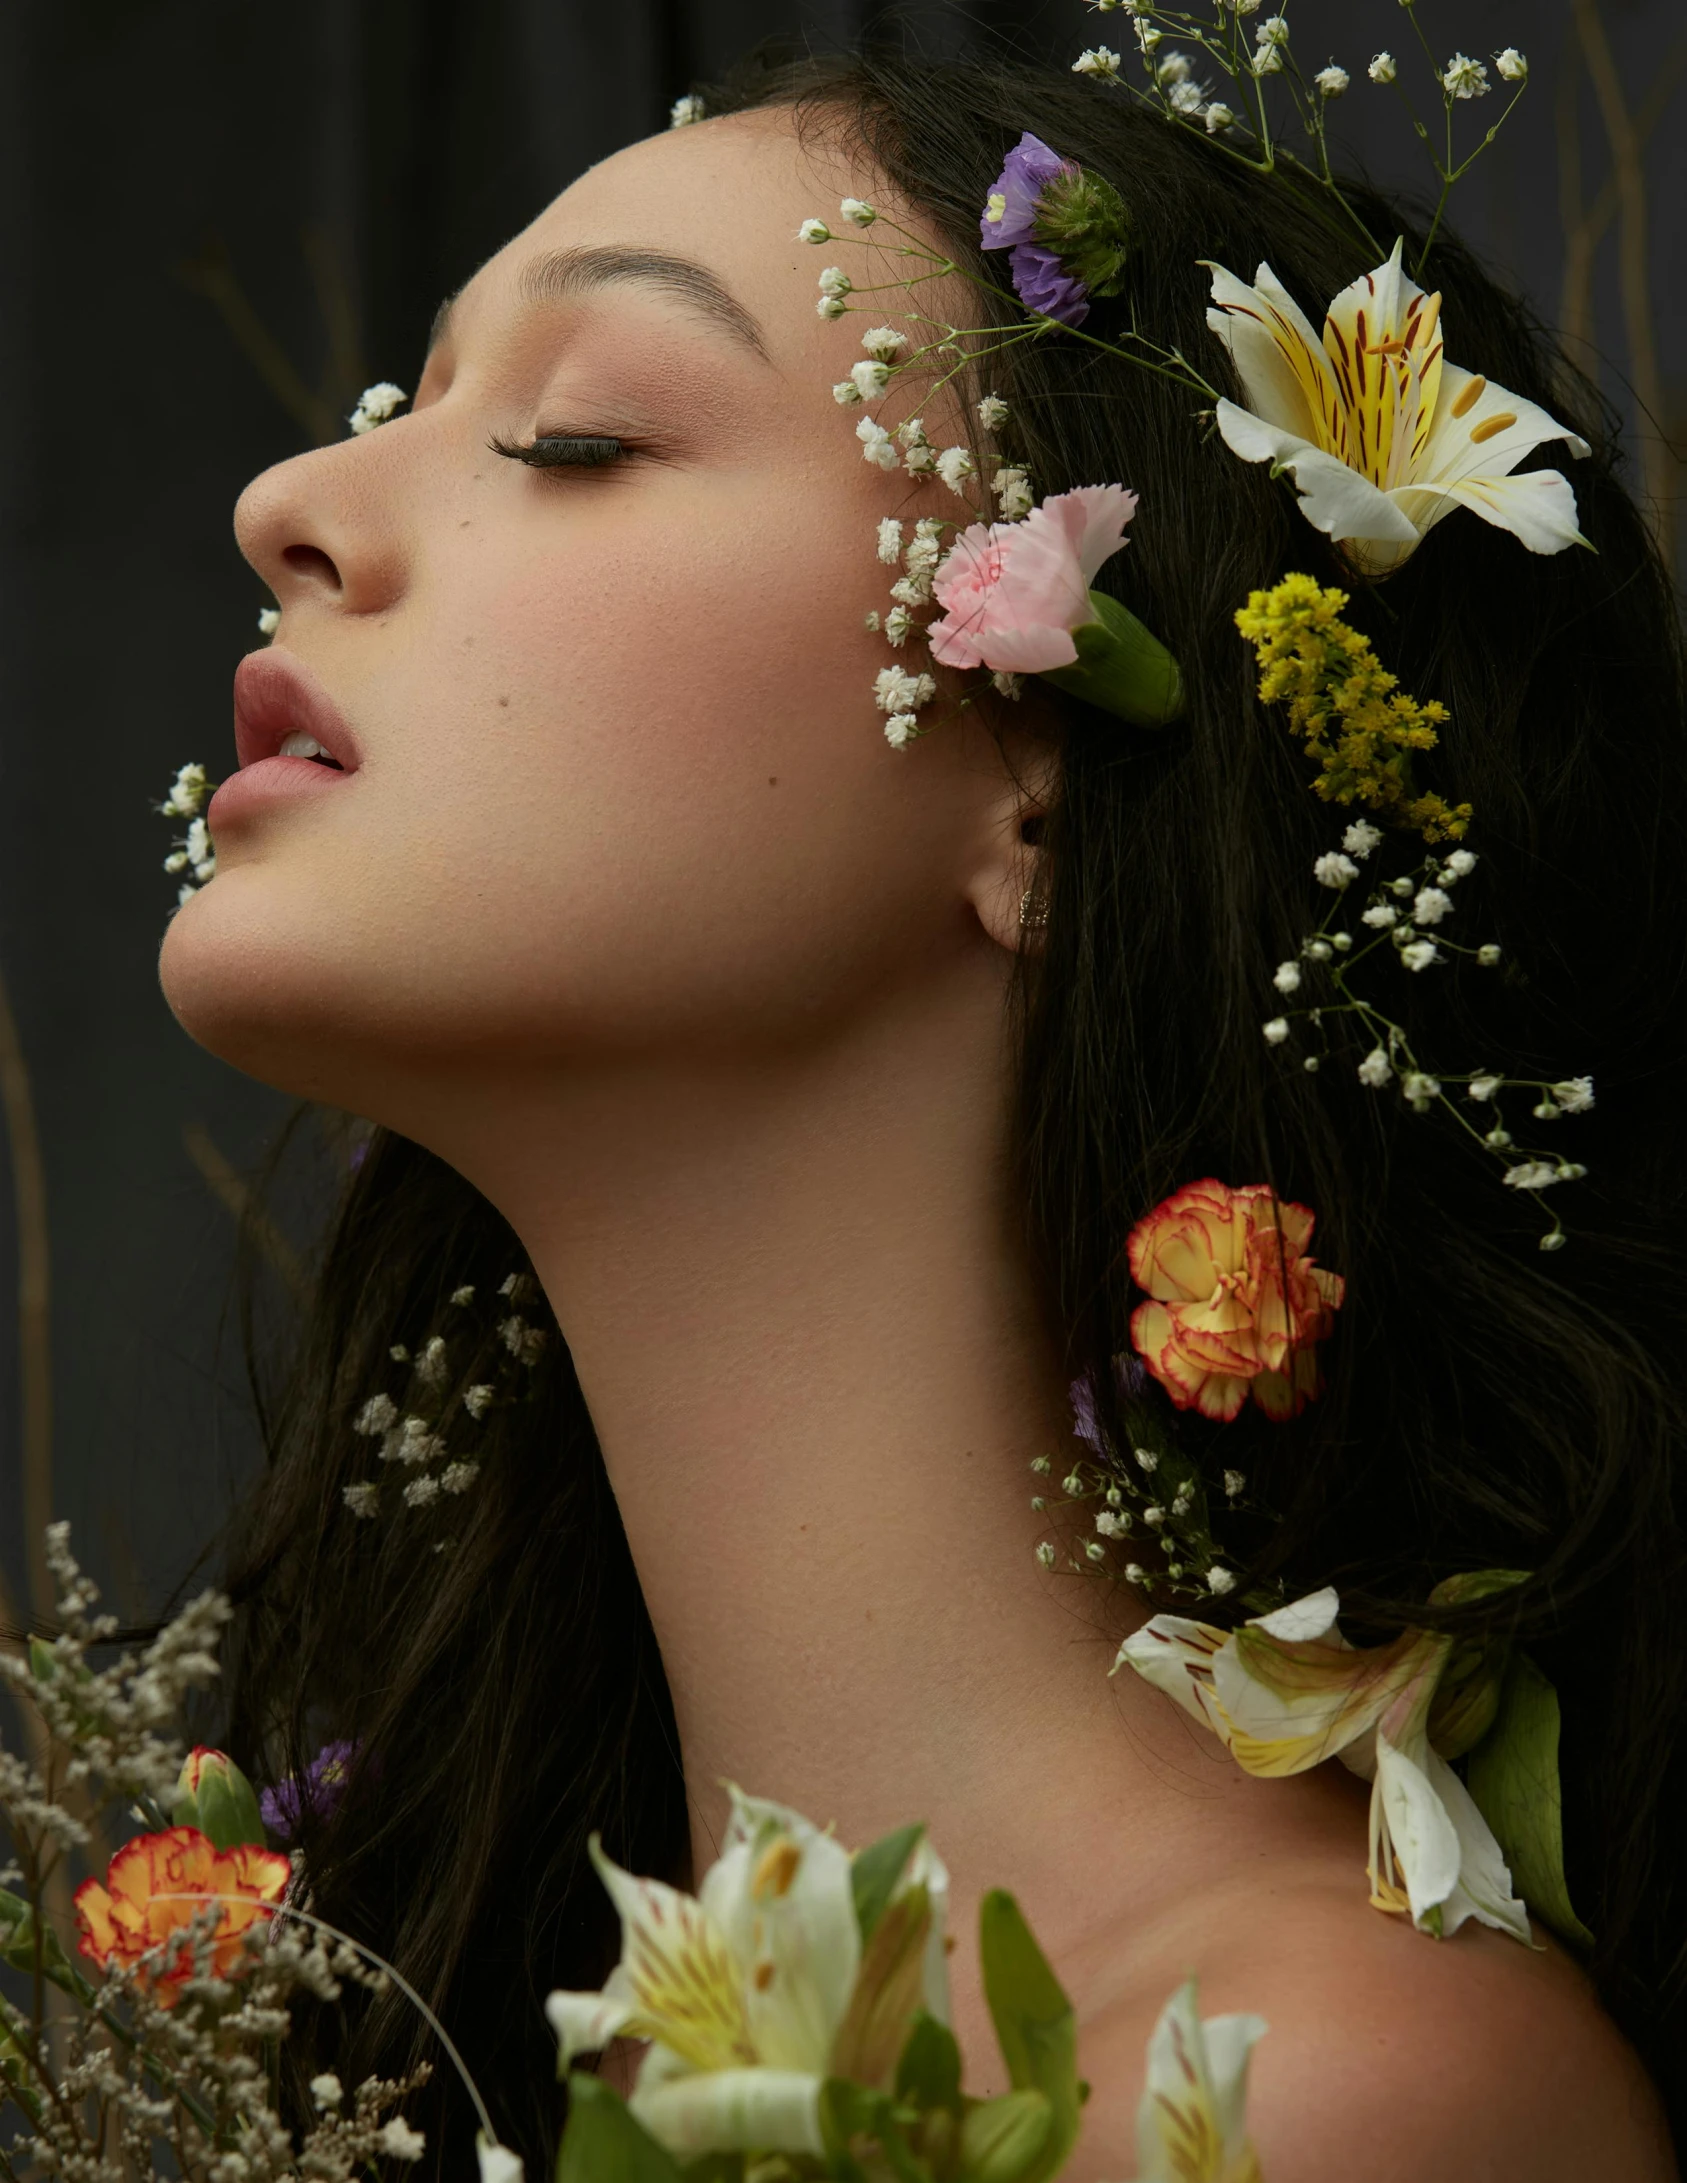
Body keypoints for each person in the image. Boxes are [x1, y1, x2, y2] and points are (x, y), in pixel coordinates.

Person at [158, 37, 1686, 2181]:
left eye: (579, 434)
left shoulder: (1301, 2108)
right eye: (401, 405)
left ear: (1048, 766)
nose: (291, 509)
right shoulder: (420, 2053)